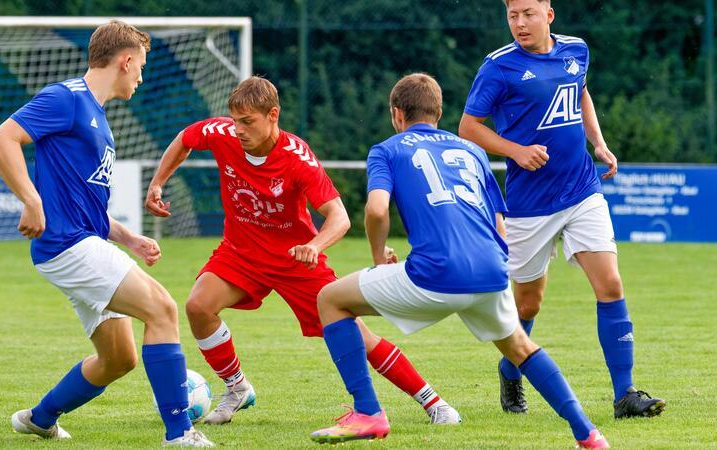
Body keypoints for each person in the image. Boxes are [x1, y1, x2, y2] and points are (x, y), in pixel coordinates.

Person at [310, 73, 609, 449]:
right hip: (491, 270)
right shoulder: (472, 150)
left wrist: (376, 255)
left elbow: (376, 210)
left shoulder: (388, 149)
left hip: (435, 273)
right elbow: (498, 223)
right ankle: (588, 434)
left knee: (330, 299)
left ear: (397, 114)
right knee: (520, 348)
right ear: (438, 113)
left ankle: (367, 413)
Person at [145, 76, 460, 427]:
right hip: (241, 253)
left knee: (356, 335)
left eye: (247, 122)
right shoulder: (222, 133)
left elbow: (339, 217)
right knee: (198, 306)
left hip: (295, 261)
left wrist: (314, 245)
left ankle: (433, 402)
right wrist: (158, 183)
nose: (239, 130)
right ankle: (236, 388)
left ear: (273, 115)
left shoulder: (297, 158)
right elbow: (184, 139)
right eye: (235, 121)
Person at [0, 20, 213, 447]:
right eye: (140, 66)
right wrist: (31, 200)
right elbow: (2, 140)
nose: (141, 77)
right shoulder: (67, 98)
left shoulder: (98, 119)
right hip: (69, 245)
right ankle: (180, 434)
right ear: (125, 61)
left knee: (119, 358)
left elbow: (86, 206)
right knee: (163, 310)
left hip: (77, 243)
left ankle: (39, 418)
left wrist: (129, 239)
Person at [458, 0, 665, 418]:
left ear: (548, 15)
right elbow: (469, 127)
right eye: (513, 15)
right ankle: (510, 368)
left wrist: (598, 142)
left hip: (582, 190)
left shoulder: (576, 49)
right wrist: (516, 151)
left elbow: (580, 93)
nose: (520, 23)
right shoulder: (498, 67)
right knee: (528, 305)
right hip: (529, 204)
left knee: (610, 284)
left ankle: (625, 394)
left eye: (528, 14)